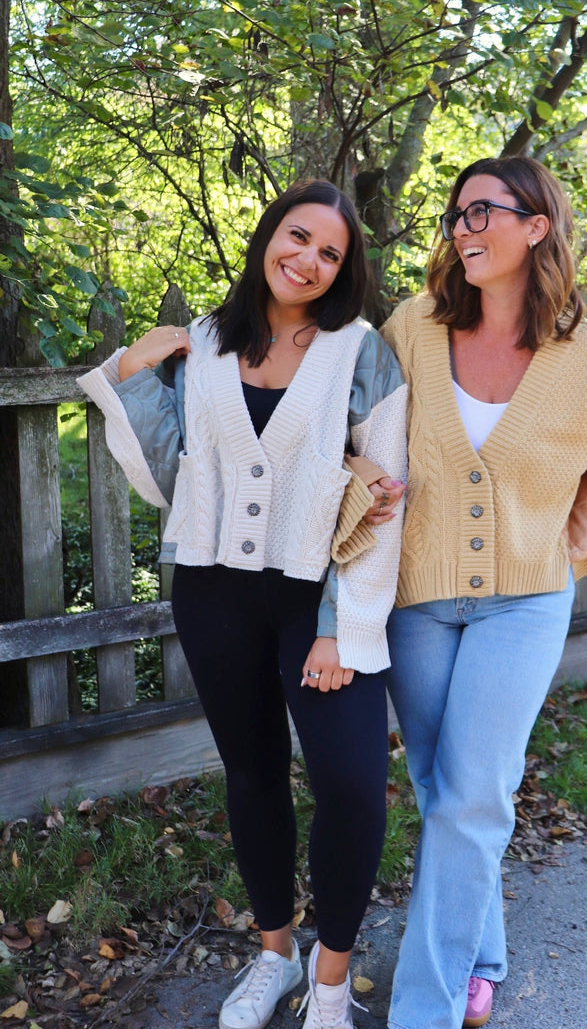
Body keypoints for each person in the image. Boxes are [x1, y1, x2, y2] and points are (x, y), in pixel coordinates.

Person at [78, 179, 407, 1029]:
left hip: (316, 598)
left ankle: (330, 981)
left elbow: (385, 495)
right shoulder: (208, 344)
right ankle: (275, 954)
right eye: (297, 238)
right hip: (214, 591)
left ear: (346, 269)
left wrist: (342, 626)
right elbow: (162, 478)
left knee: (351, 784)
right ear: (269, 237)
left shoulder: (361, 352)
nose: (308, 260)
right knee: (254, 774)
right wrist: (131, 369)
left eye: (330, 252)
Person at [372, 156, 587, 1029]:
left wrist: (579, 538)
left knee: (475, 795)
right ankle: (485, 956)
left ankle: (423, 1011)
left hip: (525, 604)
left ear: (536, 225)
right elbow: (362, 440)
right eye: (456, 215)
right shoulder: (411, 329)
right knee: (446, 791)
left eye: (482, 212)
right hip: (418, 602)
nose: (462, 228)